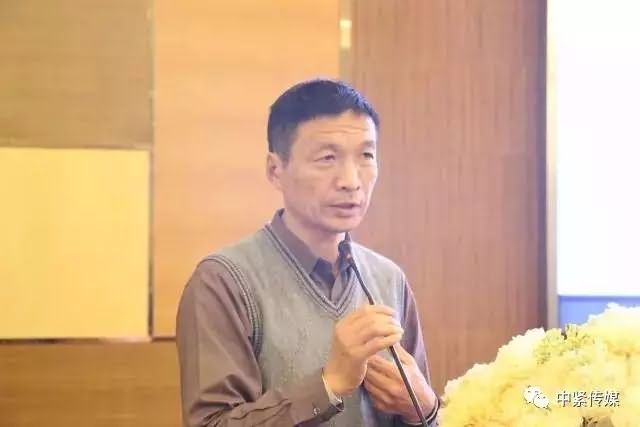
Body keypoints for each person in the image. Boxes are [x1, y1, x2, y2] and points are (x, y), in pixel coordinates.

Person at [176, 78, 439, 426]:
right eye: (327, 158)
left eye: (366, 156)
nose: (351, 181)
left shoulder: (388, 278)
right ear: (275, 170)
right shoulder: (222, 283)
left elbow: (422, 412)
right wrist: (329, 385)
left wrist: (425, 409)